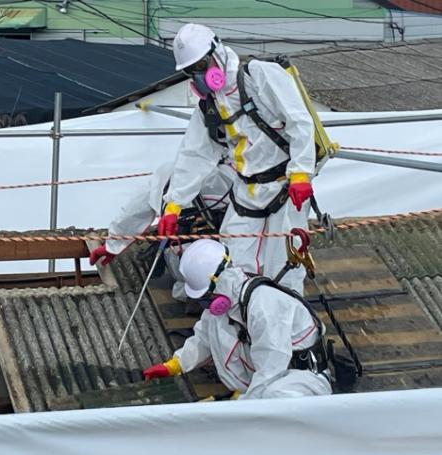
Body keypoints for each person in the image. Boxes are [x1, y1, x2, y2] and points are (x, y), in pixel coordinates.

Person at [157, 23, 315, 294]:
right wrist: (174, 205)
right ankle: (245, 315)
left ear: (217, 53)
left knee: (285, 265)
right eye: (191, 70)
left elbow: (299, 121)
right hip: (246, 190)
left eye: (202, 65)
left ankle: (287, 315)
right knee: (233, 263)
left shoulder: (259, 75)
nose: (199, 75)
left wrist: (301, 172)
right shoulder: (209, 106)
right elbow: (194, 155)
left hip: (285, 187)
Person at [143, 239, 332, 400]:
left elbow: (271, 369)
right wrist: (175, 365)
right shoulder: (230, 302)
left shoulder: (264, 306)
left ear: (218, 284)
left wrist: (242, 406)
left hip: (302, 379)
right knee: (217, 327)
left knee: (272, 400)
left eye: (205, 299)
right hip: (273, 375)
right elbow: (204, 339)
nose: (205, 306)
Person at [89, 161, 233, 301]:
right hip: (193, 255)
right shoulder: (222, 176)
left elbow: (135, 211)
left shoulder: (221, 179)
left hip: (213, 253)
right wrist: (112, 245)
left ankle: (205, 294)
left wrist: (113, 245)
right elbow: (136, 211)